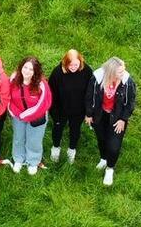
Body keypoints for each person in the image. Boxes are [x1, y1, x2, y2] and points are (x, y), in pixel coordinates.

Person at [86, 57, 135, 186]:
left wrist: (123, 119)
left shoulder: (127, 82)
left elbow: (130, 103)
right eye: (120, 72)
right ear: (111, 72)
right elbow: (89, 96)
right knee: (101, 139)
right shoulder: (97, 79)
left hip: (117, 117)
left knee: (114, 146)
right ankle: (103, 158)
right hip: (100, 115)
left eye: (123, 70)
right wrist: (89, 114)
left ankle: (110, 169)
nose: (123, 73)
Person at [7, 56, 52, 175]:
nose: (27, 71)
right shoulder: (13, 79)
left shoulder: (41, 84)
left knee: (34, 140)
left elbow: (43, 104)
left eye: (31, 69)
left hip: (37, 117)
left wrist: (25, 115)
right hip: (18, 116)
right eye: (25, 67)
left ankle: (33, 161)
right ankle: (18, 159)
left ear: (35, 72)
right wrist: (18, 114)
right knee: (18, 138)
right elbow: (8, 98)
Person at [47, 49, 93, 165]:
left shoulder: (86, 71)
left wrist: (88, 111)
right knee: (57, 128)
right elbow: (51, 94)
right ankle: (56, 148)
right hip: (60, 109)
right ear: (65, 63)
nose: (73, 67)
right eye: (70, 64)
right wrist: (54, 113)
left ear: (80, 62)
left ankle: (72, 150)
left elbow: (90, 92)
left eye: (76, 64)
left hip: (78, 110)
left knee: (75, 130)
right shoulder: (57, 73)